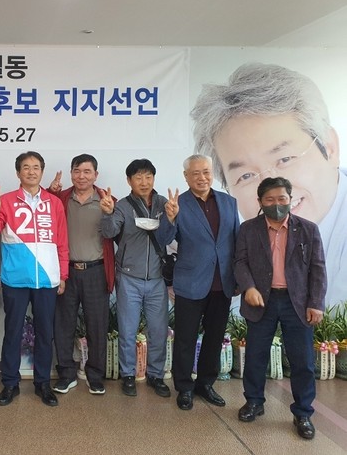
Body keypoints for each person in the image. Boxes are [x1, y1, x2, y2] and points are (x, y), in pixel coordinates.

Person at [192, 62, 344, 306]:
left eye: (285, 159)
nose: (270, 188)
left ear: (330, 147)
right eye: (245, 176)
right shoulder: (241, 239)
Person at [234, 177, 327, 440]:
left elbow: (318, 269)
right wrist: (248, 287)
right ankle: (254, 402)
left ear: (290, 199)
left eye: (282, 199)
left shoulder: (308, 229)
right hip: (261, 300)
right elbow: (240, 262)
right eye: (270, 200)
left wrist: (316, 303)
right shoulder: (248, 229)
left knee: (303, 361)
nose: (276, 204)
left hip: (296, 303)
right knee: (256, 356)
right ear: (260, 202)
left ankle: (303, 412)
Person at [0, 151, 69, 407]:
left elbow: (62, 241)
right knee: (13, 332)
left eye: (36, 167)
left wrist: (62, 274)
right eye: (26, 167)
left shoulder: (54, 203)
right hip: (15, 279)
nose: (31, 171)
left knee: (45, 333)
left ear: (42, 171)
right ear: (18, 172)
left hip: (47, 279)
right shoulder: (5, 201)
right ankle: (10, 383)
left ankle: (43, 383)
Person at [156, 155, 239, 411]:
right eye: (195, 173)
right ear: (186, 177)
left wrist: (237, 278)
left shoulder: (228, 202)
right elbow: (163, 239)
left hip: (222, 283)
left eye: (206, 172)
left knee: (214, 337)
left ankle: (205, 383)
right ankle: (184, 387)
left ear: (212, 173)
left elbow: (236, 241)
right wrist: (170, 219)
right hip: (190, 282)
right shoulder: (177, 204)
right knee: (185, 338)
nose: (202, 178)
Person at [101, 158, 170, 400]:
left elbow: (170, 237)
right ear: (129, 181)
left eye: (148, 176)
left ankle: (156, 375)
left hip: (157, 279)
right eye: (138, 177)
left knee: (158, 331)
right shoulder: (122, 205)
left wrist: (172, 218)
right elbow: (109, 232)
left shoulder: (164, 204)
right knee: (127, 330)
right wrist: (107, 214)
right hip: (129, 277)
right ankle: (128, 375)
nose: (144, 182)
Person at [47, 154, 116, 396]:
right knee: (63, 325)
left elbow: (115, 235)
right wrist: (51, 192)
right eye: (77, 171)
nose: (81, 176)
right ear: (71, 174)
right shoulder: (62, 198)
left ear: (96, 175)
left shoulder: (108, 200)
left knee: (97, 326)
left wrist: (109, 213)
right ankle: (66, 374)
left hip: (96, 271)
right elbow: (44, 215)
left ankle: (95, 376)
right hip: (66, 272)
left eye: (87, 171)